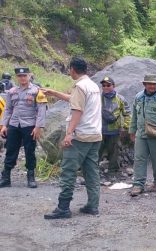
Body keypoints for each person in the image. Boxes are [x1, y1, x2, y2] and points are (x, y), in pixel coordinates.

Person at [43, 57, 102, 219]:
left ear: (72, 69)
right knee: (91, 171)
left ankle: (63, 208)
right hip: (94, 135)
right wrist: (54, 93)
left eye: (69, 69)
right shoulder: (92, 85)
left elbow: (77, 110)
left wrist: (69, 133)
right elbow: (74, 100)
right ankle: (93, 205)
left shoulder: (80, 86)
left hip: (80, 136)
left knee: (68, 170)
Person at [0, 67, 48, 188]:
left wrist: (38, 127)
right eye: (20, 76)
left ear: (29, 76)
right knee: (10, 150)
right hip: (14, 124)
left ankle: (31, 178)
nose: (22, 78)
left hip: (29, 125)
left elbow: (41, 110)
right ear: (16, 77)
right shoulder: (12, 91)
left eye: (24, 76)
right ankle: (6, 177)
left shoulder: (37, 91)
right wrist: (4, 125)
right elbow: (8, 109)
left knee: (29, 150)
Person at [98, 76, 131, 178]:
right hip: (98, 130)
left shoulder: (120, 99)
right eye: (104, 85)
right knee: (96, 151)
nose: (106, 87)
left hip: (114, 131)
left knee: (114, 151)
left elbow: (127, 113)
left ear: (113, 86)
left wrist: (125, 127)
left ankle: (113, 172)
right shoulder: (97, 98)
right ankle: (92, 171)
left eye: (108, 85)